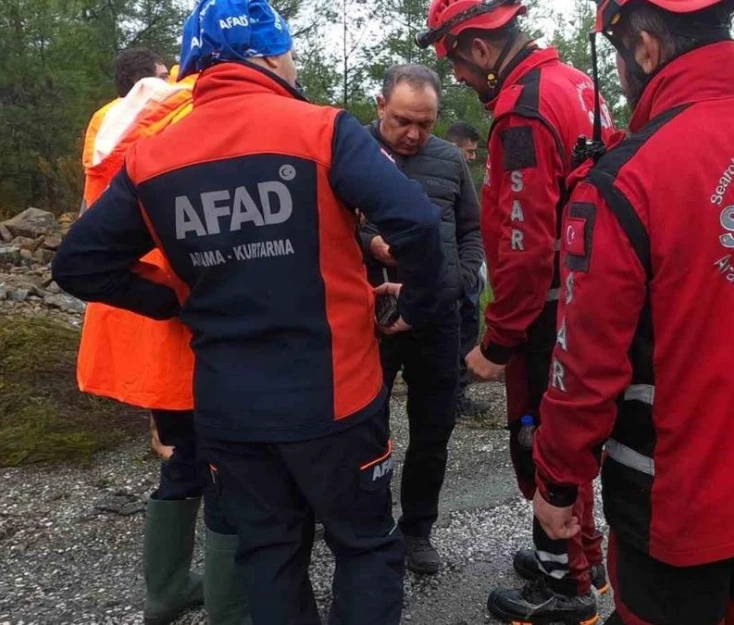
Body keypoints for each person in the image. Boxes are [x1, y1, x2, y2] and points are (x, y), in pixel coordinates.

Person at [51, 1, 445, 623]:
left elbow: (77, 265)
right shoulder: (321, 128)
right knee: (365, 547)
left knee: (269, 555)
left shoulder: (153, 156)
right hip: (337, 399)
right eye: (286, 54)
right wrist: (414, 307)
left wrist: (177, 296)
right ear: (266, 55)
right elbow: (419, 223)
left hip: (230, 409)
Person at [529, 1, 734, 623]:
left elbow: (583, 368)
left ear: (645, 48)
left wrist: (558, 483)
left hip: (677, 505)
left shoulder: (624, 179)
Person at [418, 0, 615, 621]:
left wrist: (498, 341)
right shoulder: (577, 84)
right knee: (570, 433)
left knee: (538, 441)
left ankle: (567, 586)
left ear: (479, 46)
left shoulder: (522, 110)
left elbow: (525, 242)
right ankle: (586, 556)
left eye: (454, 60)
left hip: (550, 306)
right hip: (591, 292)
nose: (456, 77)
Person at [78, 58, 250, 625]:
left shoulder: (108, 121)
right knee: (230, 469)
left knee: (181, 461)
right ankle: (231, 608)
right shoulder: (184, 117)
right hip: (189, 324)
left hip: (138, 322)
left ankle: (167, 592)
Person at [358, 64, 484, 574]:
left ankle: (417, 531)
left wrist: (465, 278)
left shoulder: (450, 160)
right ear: (380, 106)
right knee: (366, 430)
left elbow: (473, 230)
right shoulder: (352, 151)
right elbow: (328, 226)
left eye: (425, 124)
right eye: (403, 121)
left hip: (438, 318)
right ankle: (367, 526)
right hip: (374, 318)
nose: (414, 134)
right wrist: (369, 243)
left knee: (433, 431)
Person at [82, 48, 169, 216]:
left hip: (105, 216)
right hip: (141, 217)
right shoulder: (157, 112)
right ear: (140, 81)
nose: (169, 85)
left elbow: (92, 177)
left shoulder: (103, 115)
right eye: (163, 77)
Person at [444, 119, 491, 418]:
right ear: (454, 146)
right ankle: (454, 397)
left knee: (468, 329)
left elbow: (473, 224)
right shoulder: (441, 174)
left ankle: (458, 393)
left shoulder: (466, 180)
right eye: (469, 151)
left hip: (470, 269)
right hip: (453, 272)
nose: (472, 157)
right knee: (456, 336)